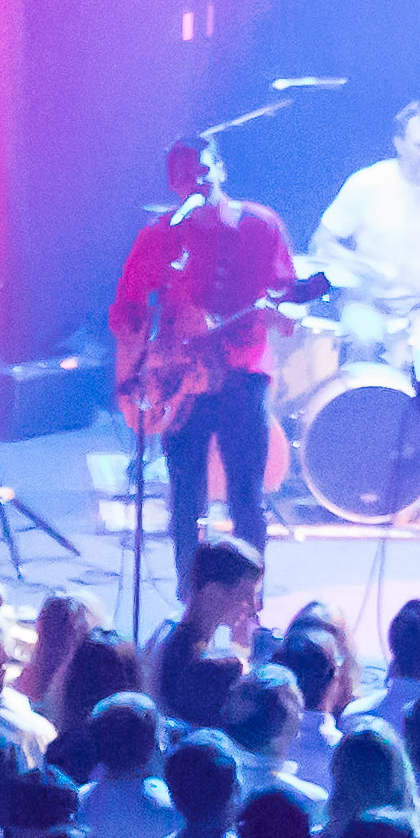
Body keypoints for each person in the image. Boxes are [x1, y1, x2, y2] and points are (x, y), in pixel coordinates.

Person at [115, 134, 305, 561]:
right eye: (186, 178)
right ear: (173, 186)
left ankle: (246, 605)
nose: (197, 183)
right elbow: (127, 307)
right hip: (180, 381)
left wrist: (286, 314)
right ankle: (190, 599)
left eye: (204, 172)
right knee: (185, 498)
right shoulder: (159, 238)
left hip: (243, 373)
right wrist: (135, 368)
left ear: (221, 170)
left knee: (246, 496)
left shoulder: (260, 227)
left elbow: (288, 295)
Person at [310, 95, 420, 343]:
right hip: (368, 305)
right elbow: (320, 244)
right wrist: (367, 267)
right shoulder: (366, 183)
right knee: (365, 338)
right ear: (399, 143)